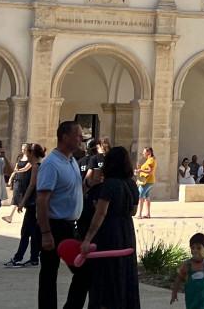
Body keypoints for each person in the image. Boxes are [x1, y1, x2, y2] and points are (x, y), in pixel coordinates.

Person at [77, 146, 140, 309]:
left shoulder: (109, 184)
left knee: (106, 274)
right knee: (125, 273)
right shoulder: (132, 184)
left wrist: (88, 238)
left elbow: (101, 214)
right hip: (126, 230)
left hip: (108, 232)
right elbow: (133, 211)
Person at [37, 120, 86, 309]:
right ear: (65, 137)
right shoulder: (51, 163)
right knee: (50, 273)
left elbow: (73, 190)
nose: (81, 138)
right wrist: (46, 233)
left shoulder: (71, 160)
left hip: (69, 226)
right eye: (78, 135)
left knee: (82, 271)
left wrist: (88, 184)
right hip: (54, 225)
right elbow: (42, 200)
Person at [7, 144, 46, 268]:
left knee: (28, 232)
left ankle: (23, 257)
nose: (26, 155)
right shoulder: (42, 165)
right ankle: (30, 257)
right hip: (36, 203)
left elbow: (32, 185)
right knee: (31, 232)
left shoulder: (35, 166)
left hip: (33, 203)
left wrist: (22, 201)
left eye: (27, 153)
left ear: (31, 154)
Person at [171, 233, 204, 309]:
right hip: (191, 299)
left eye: (199, 248)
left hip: (203, 299)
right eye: (192, 248)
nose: (195, 251)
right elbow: (178, 279)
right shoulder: (187, 265)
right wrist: (174, 293)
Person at [134, 147, 156, 219]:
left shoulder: (150, 160)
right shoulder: (150, 160)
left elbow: (150, 171)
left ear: (148, 152)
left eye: (144, 152)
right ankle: (147, 213)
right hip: (149, 181)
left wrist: (140, 170)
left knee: (140, 196)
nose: (143, 153)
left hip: (147, 181)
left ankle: (139, 214)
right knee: (147, 197)